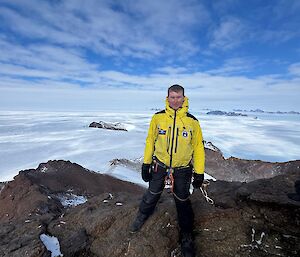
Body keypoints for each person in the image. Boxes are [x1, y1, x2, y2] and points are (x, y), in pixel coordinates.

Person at [130, 84, 205, 257]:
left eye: (179, 97)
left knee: (182, 200)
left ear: (184, 98)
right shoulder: (158, 118)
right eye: (172, 97)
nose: (176, 100)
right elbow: (150, 140)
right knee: (153, 192)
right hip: (160, 164)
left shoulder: (192, 121)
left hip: (183, 168)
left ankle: (186, 236)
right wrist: (146, 164)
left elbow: (198, 148)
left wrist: (199, 172)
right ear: (167, 98)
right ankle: (142, 215)